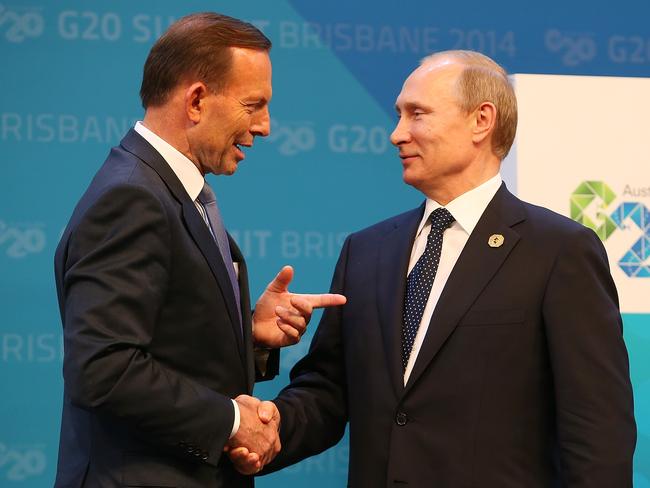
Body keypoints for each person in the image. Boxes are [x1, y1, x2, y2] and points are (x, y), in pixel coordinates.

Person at [230, 50, 637, 486]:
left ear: (482, 120)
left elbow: (597, 431)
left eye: (416, 114)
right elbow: (329, 392)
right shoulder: (366, 251)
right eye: (398, 115)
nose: (396, 134)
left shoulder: (559, 251)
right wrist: (267, 430)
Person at [53, 12, 344, 488]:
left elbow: (167, 349)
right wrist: (232, 421)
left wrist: (250, 338)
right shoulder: (133, 198)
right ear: (196, 100)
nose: (266, 126)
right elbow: (102, 369)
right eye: (254, 105)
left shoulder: (170, 191)